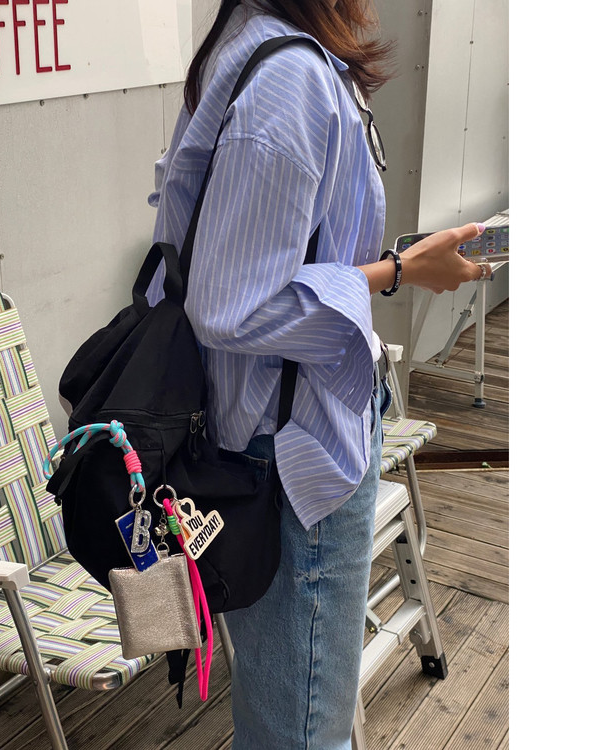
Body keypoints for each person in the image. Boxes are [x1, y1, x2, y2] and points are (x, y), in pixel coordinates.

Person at [147, 1, 487, 747]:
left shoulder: (253, 44)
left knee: (288, 717)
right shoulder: (291, 77)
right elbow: (230, 304)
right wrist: (399, 272)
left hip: (273, 438)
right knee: (301, 732)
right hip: (294, 456)